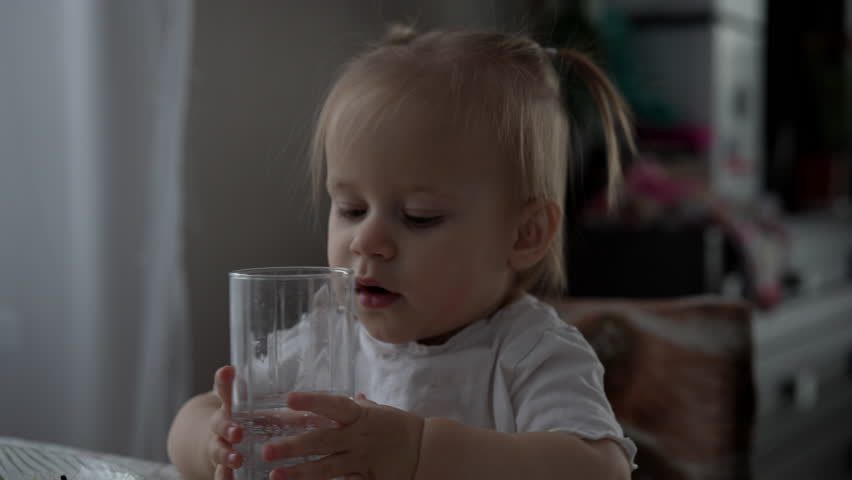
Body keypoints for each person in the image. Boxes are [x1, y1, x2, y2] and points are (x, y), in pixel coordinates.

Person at [167, 24, 637, 480]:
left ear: (525, 235)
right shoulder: (326, 343)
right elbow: (195, 417)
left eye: (419, 216)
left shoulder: (531, 352)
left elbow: (599, 468)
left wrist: (418, 454)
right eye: (351, 209)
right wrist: (213, 440)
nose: (365, 241)